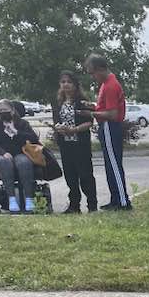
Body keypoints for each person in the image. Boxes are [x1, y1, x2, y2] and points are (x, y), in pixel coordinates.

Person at [84, 54, 131, 210]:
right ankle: (115, 199)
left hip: (111, 126)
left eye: (93, 73)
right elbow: (104, 108)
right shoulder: (105, 84)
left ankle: (123, 202)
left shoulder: (111, 85)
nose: (92, 76)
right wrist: (93, 107)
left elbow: (113, 114)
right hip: (106, 127)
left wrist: (91, 114)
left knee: (114, 165)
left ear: (101, 69)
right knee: (109, 165)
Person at [52, 71, 97, 213]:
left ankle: (92, 205)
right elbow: (57, 121)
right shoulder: (58, 102)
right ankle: (74, 205)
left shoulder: (82, 101)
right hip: (65, 144)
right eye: (63, 82)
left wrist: (75, 129)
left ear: (75, 85)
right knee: (70, 176)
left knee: (85, 175)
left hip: (80, 144)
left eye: (69, 82)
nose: (66, 84)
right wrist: (58, 127)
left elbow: (90, 122)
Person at [0, 99, 40, 213]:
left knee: (23, 162)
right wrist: (2, 152)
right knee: (2, 161)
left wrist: (16, 132)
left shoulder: (22, 124)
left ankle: (29, 198)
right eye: (0, 111)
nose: (3, 112)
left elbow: (33, 138)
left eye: (5, 110)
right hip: (2, 154)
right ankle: (11, 199)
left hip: (21, 152)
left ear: (12, 110)